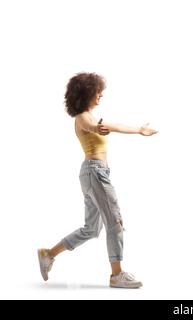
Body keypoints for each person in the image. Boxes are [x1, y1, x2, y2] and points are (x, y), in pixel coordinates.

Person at [38, 72, 158, 288]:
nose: (101, 94)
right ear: (87, 93)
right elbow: (91, 126)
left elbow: (114, 126)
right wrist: (96, 128)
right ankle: (116, 275)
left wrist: (139, 130)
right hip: (95, 173)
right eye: (97, 91)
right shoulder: (83, 116)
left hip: (93, 174)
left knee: (91, 229)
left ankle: (48, 254)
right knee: (115, 222)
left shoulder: (91, 116)